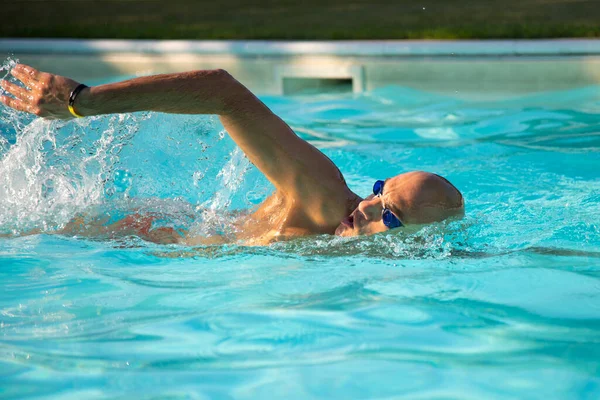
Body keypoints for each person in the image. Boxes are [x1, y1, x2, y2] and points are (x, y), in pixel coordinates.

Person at [0, 64, 464, 246]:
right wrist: (84, 100)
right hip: (119, 235)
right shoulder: (324, 196)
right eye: (381, 191)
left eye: (391, 215)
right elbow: (224, 91)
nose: (365, 205)